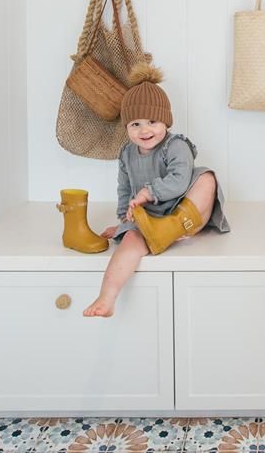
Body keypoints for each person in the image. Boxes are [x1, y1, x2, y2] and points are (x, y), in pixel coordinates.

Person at [83, 64, 229, 317]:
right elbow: (124, 187)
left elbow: (180, 180)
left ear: (166, 121)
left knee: (206, 178)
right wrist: (123, 219)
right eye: (135, 124)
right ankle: (107, 297)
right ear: (127, 127)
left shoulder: (175, 145)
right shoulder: (126, 153)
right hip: (147, 219)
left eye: (152, 121)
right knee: (129, 245)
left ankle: (170, 229)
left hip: (183, 211)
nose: (145, 130)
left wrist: (149, 192)